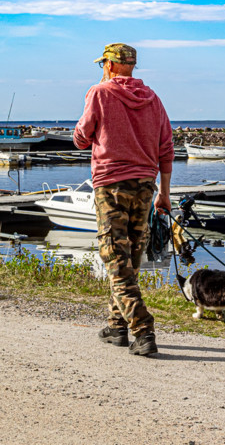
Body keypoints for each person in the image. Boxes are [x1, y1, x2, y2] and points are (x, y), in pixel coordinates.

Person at [74, 43, 174, 356]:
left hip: (111, 185)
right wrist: (165, 193)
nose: (102, 67)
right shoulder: (153, 99)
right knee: (129, 256)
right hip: (145, 186)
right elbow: (166, 148)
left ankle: (143, 330)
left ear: (112, 65)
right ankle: (117, 326)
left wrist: (85, 133)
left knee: (115, 258)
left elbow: (81, 137)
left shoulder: (100, 92)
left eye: (103, 62)